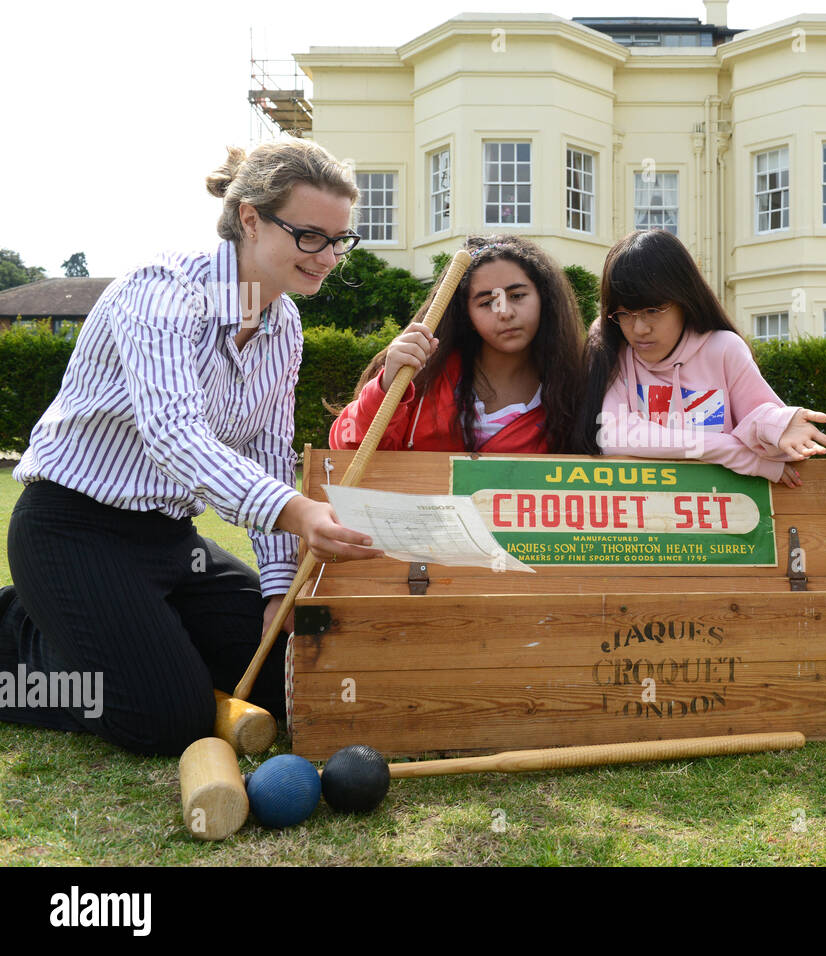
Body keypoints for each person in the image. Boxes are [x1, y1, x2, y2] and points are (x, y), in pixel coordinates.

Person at [0, 140, 381, 756]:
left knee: (284, 675)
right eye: (312, 236)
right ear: (252, 218)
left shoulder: (284, 326)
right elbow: (174, 435)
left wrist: (279, 589)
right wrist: (299, 511)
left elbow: (266, 452)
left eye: (341, 240)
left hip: (173, 543)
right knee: (162, 720)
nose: (330, 256)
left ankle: (136, 633)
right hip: (72, 530)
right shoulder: (163, 291)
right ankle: (27, 630)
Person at [577, 229, 826, 486]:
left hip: (719, 515)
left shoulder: (724, 349)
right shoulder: (610, 345)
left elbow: (759, 424)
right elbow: (616, 436)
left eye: (653, 310)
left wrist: (780, 424)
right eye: (624, 313)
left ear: (685, 300)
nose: (639, 329)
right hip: (637, 516)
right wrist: (733, 451)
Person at [330, 235, 584, 454]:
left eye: (517, 296)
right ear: (467, 315)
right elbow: (348, 450)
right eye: (486, 302)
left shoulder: (577, 385)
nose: (505, 312)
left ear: (545, 299)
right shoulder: (423, 375)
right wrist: (388, 387)